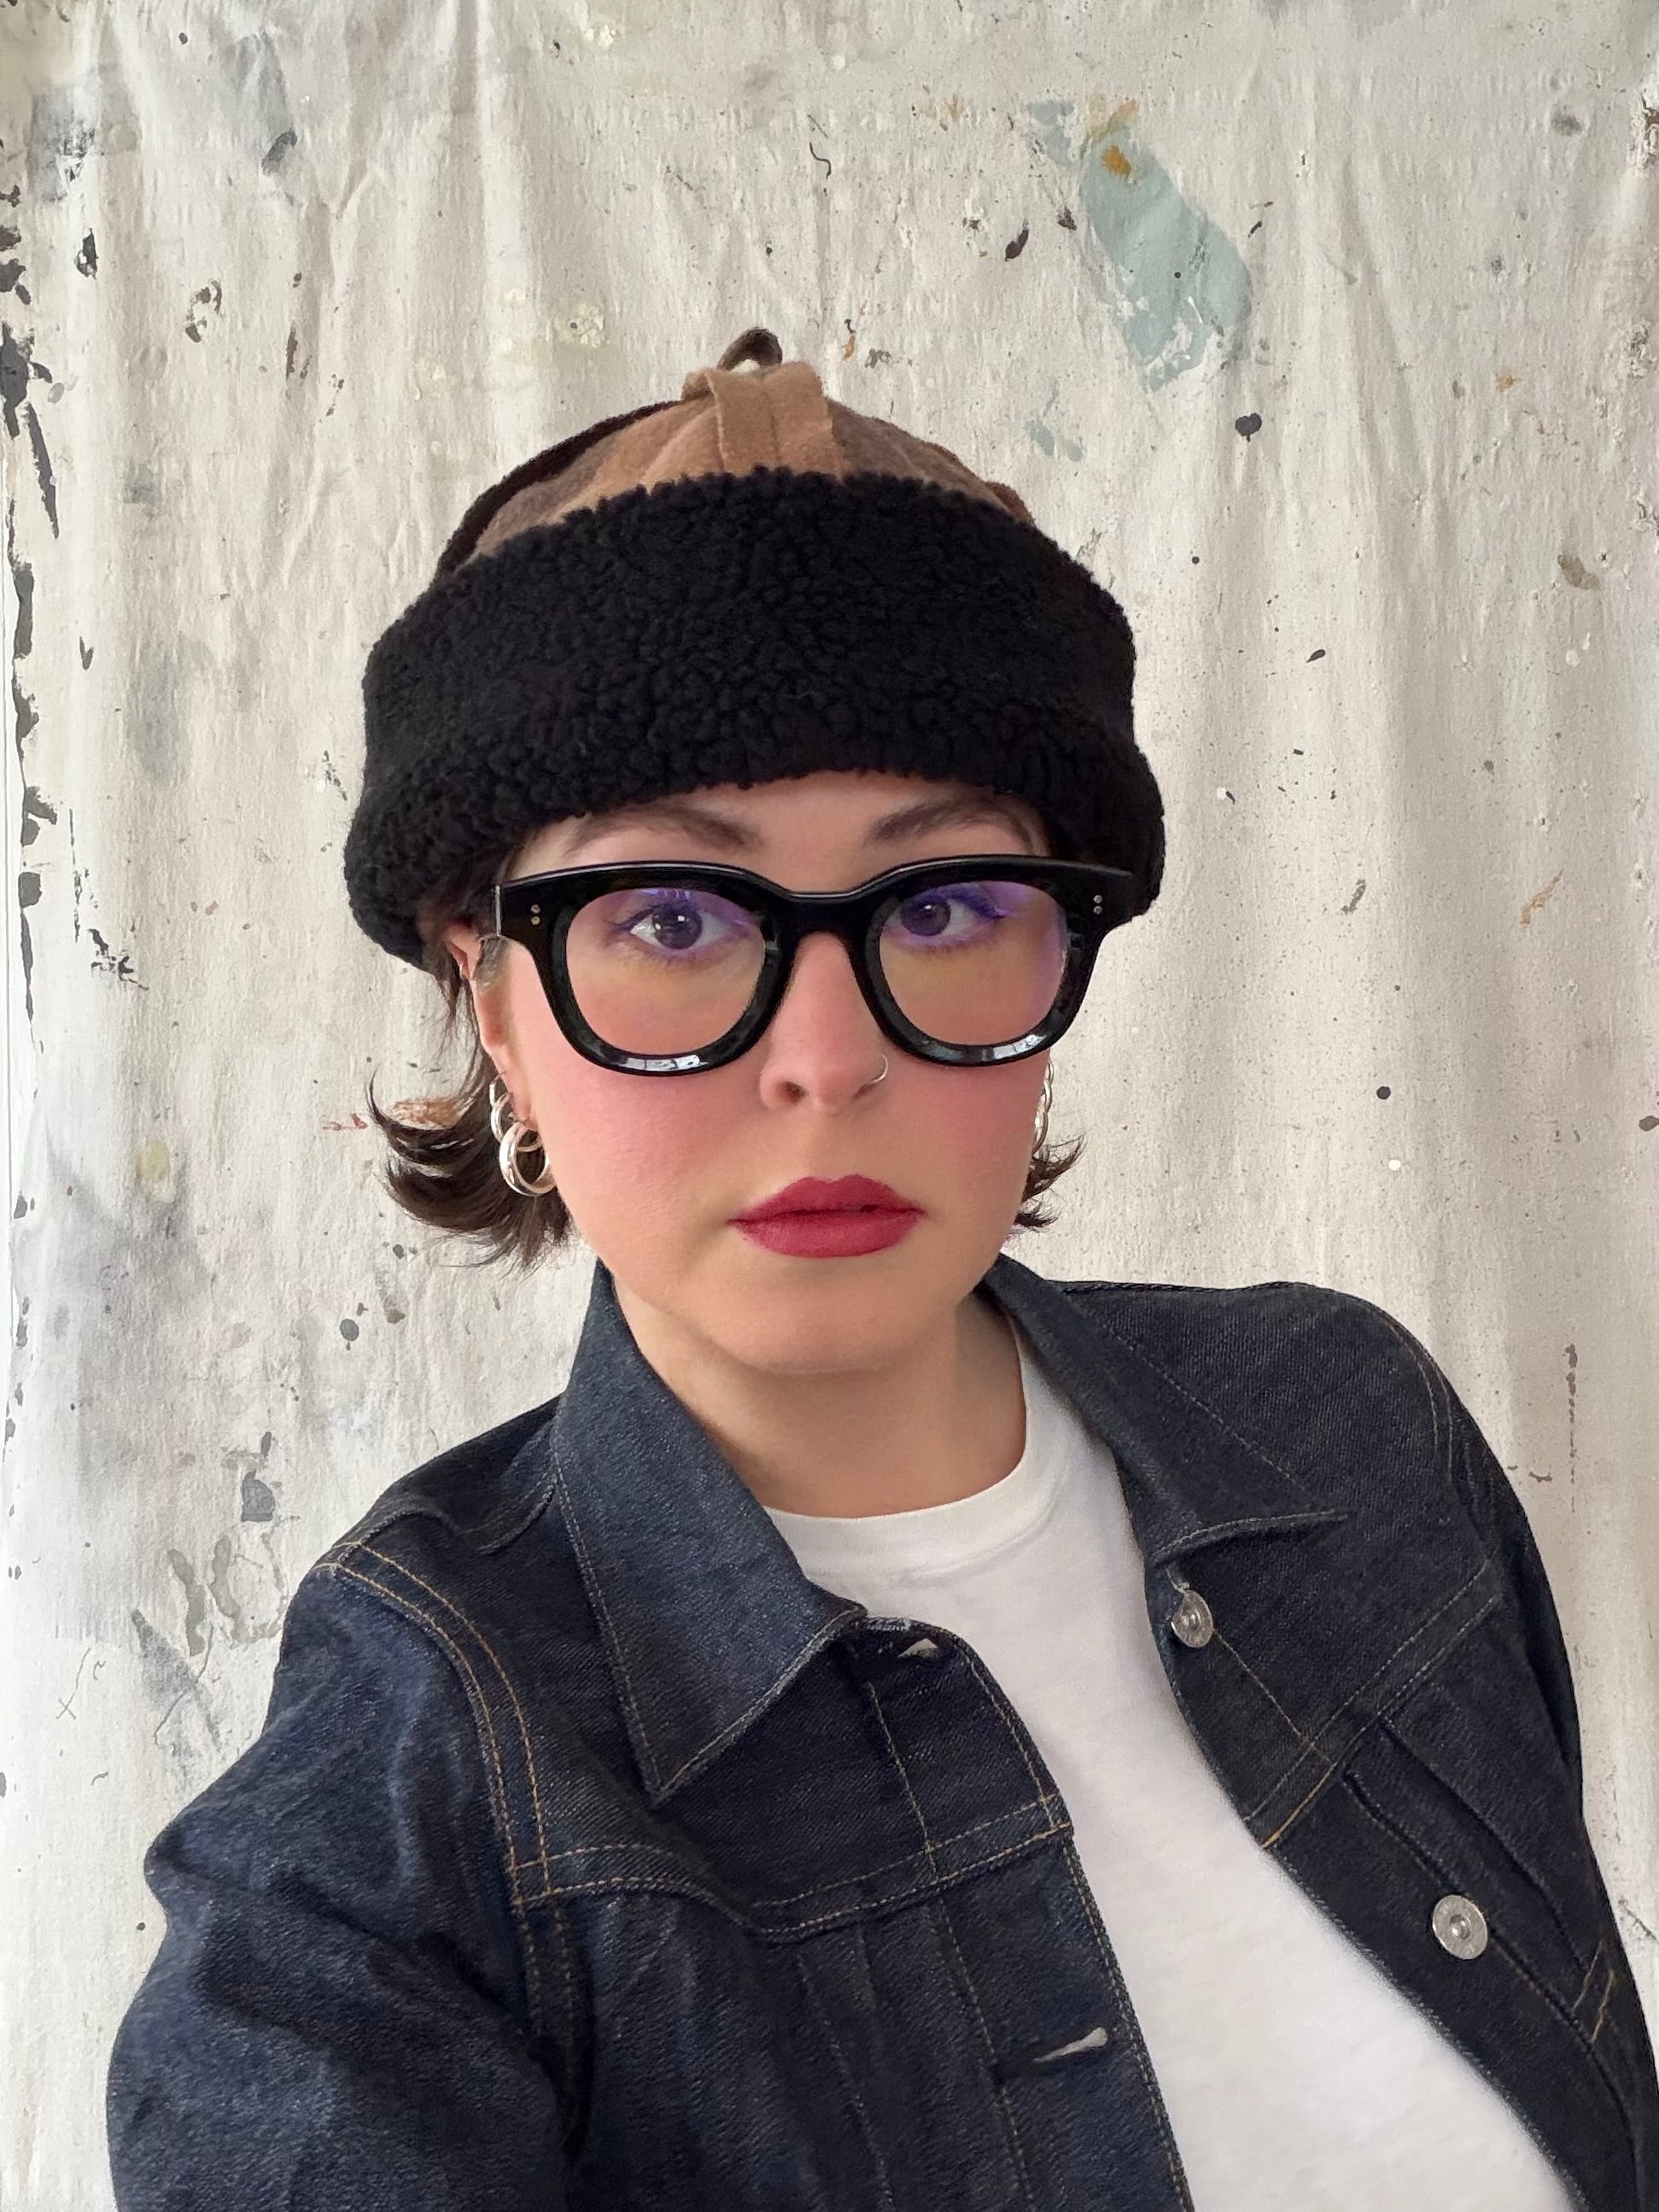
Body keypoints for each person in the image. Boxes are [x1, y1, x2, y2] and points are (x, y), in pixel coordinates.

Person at [106, 328, 1656, 2209]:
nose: (828, 1057)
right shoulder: (390, 1821)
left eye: (946, 904)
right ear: (491, 998)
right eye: (668, 915)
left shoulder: (1352, 1428)